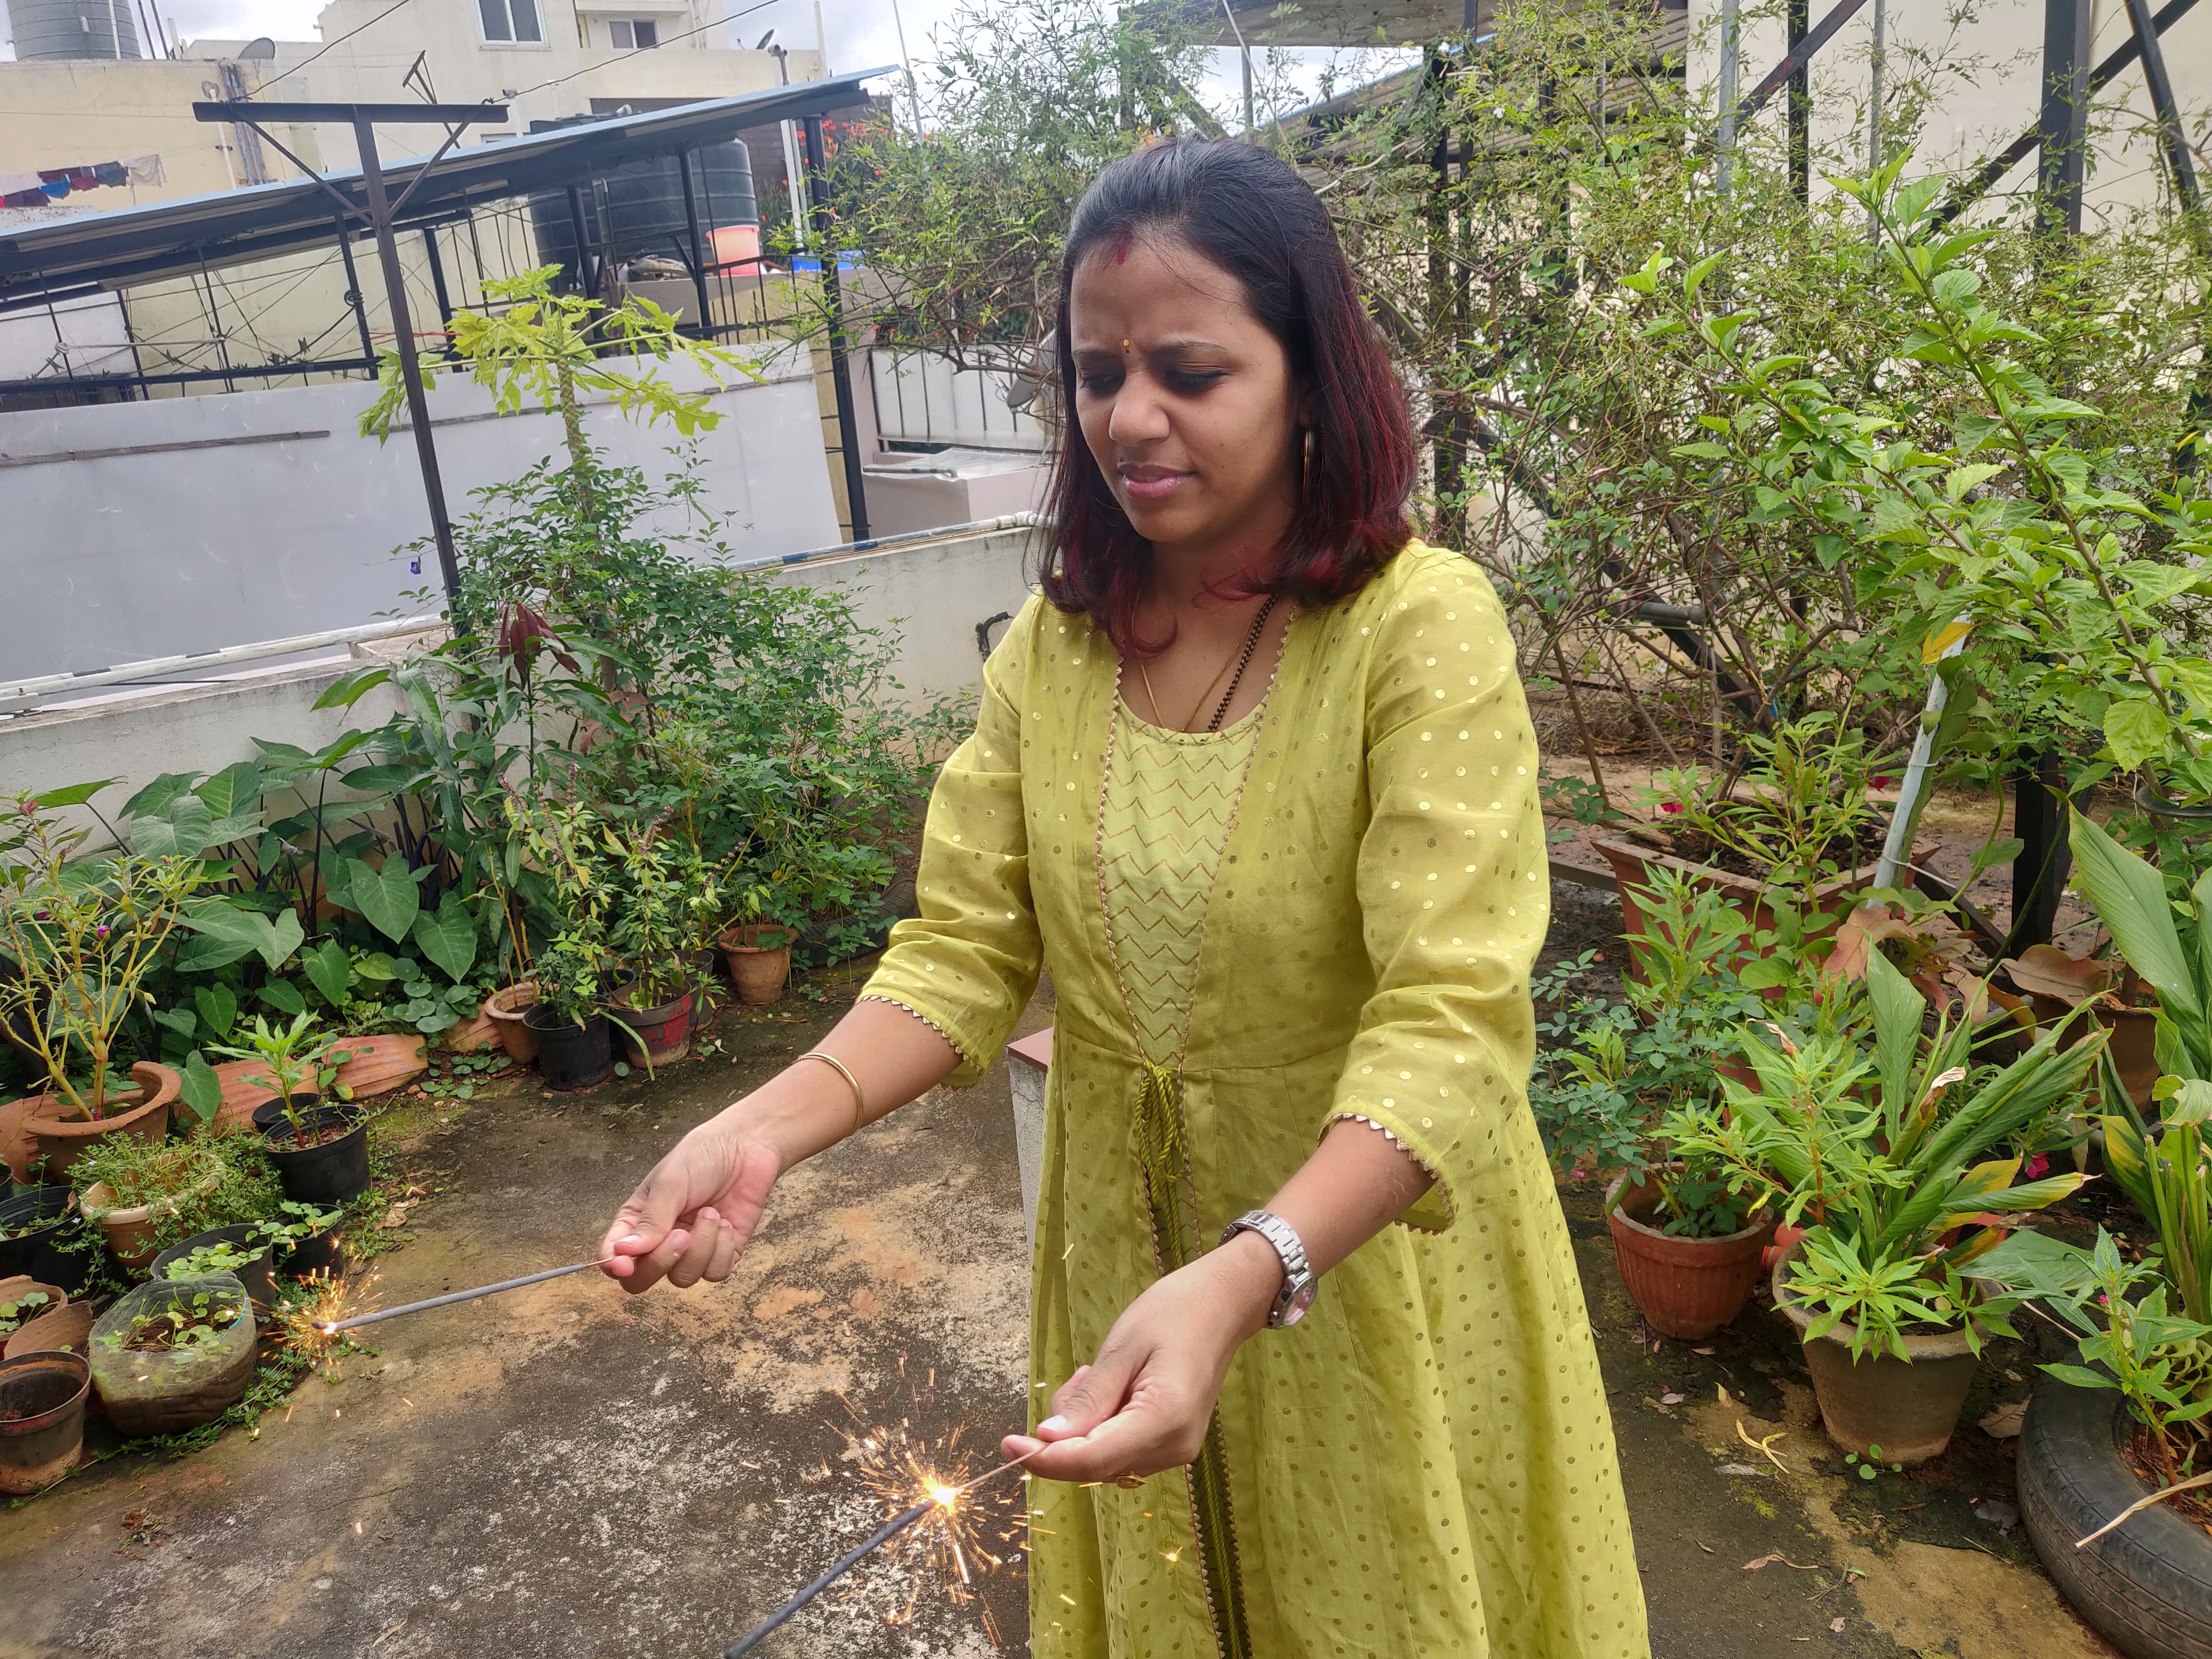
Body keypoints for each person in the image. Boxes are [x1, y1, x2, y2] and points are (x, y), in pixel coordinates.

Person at [599, 138, 1648, 1659]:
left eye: (1190, 372)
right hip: (1123, 1257)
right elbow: (963, 952)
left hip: (1361, 1267)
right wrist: (759, 1129)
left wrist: (1251, 1270)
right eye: (1099, 375)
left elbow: (1455, 1020)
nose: (1130, 419)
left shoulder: (1417, 630)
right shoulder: (1061, 645)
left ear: (1310, 379)